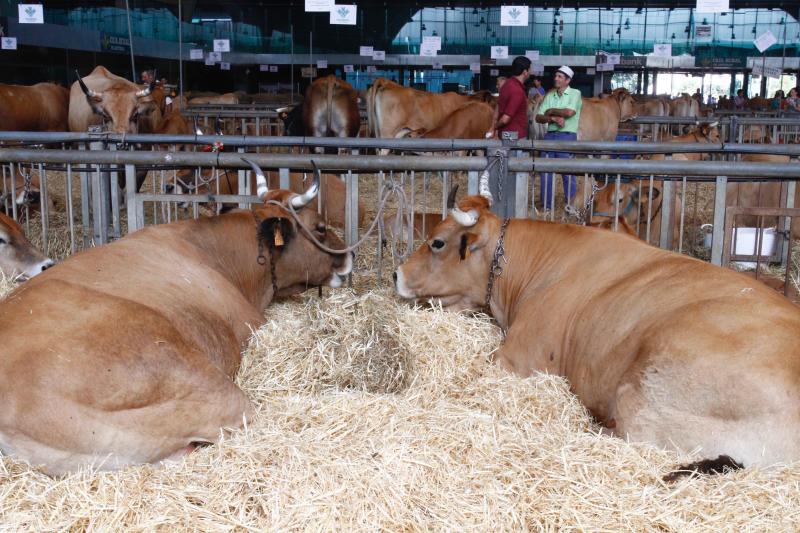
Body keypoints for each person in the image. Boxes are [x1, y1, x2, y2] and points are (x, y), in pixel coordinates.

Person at [535, 65, 582, 211]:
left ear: (567, 80)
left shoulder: (575, 93)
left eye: (560, 77)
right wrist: (553, 119)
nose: (556, 78)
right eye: (556, 76)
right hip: (550, 135)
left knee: (568, 172)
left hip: (567, 136)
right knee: (545, 171)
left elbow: (569, 112)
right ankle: (547, 206)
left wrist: (550, 111)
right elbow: (538, 117)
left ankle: (571, 205)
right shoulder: (550, 95)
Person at [486, 56, 531, 140]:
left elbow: (497, 108)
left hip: (504, 135)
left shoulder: (506, 85)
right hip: (515, 138)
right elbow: (505, 119)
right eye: (530, 69)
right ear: (525, 72)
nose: (531, 72)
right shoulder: (517, 90)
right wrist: (495, 127)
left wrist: (492, 127)